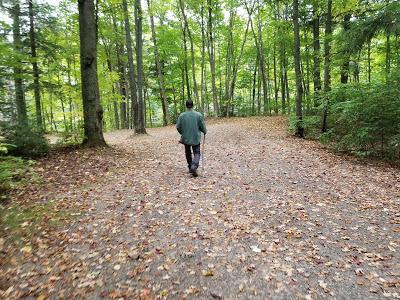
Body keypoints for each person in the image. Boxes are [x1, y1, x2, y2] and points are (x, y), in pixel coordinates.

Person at [176, 100, 207, 177]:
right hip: (195, 137)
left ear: (186, 106)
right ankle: (194, 166)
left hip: (185, 138)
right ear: (192, 105)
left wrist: (183, 133)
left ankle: (190, 167)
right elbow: (202, 126)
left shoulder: (182, 115)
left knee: (188, 152)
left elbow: (178, 127)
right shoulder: (198, 115)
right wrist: (204, 131)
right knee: (197, 152)